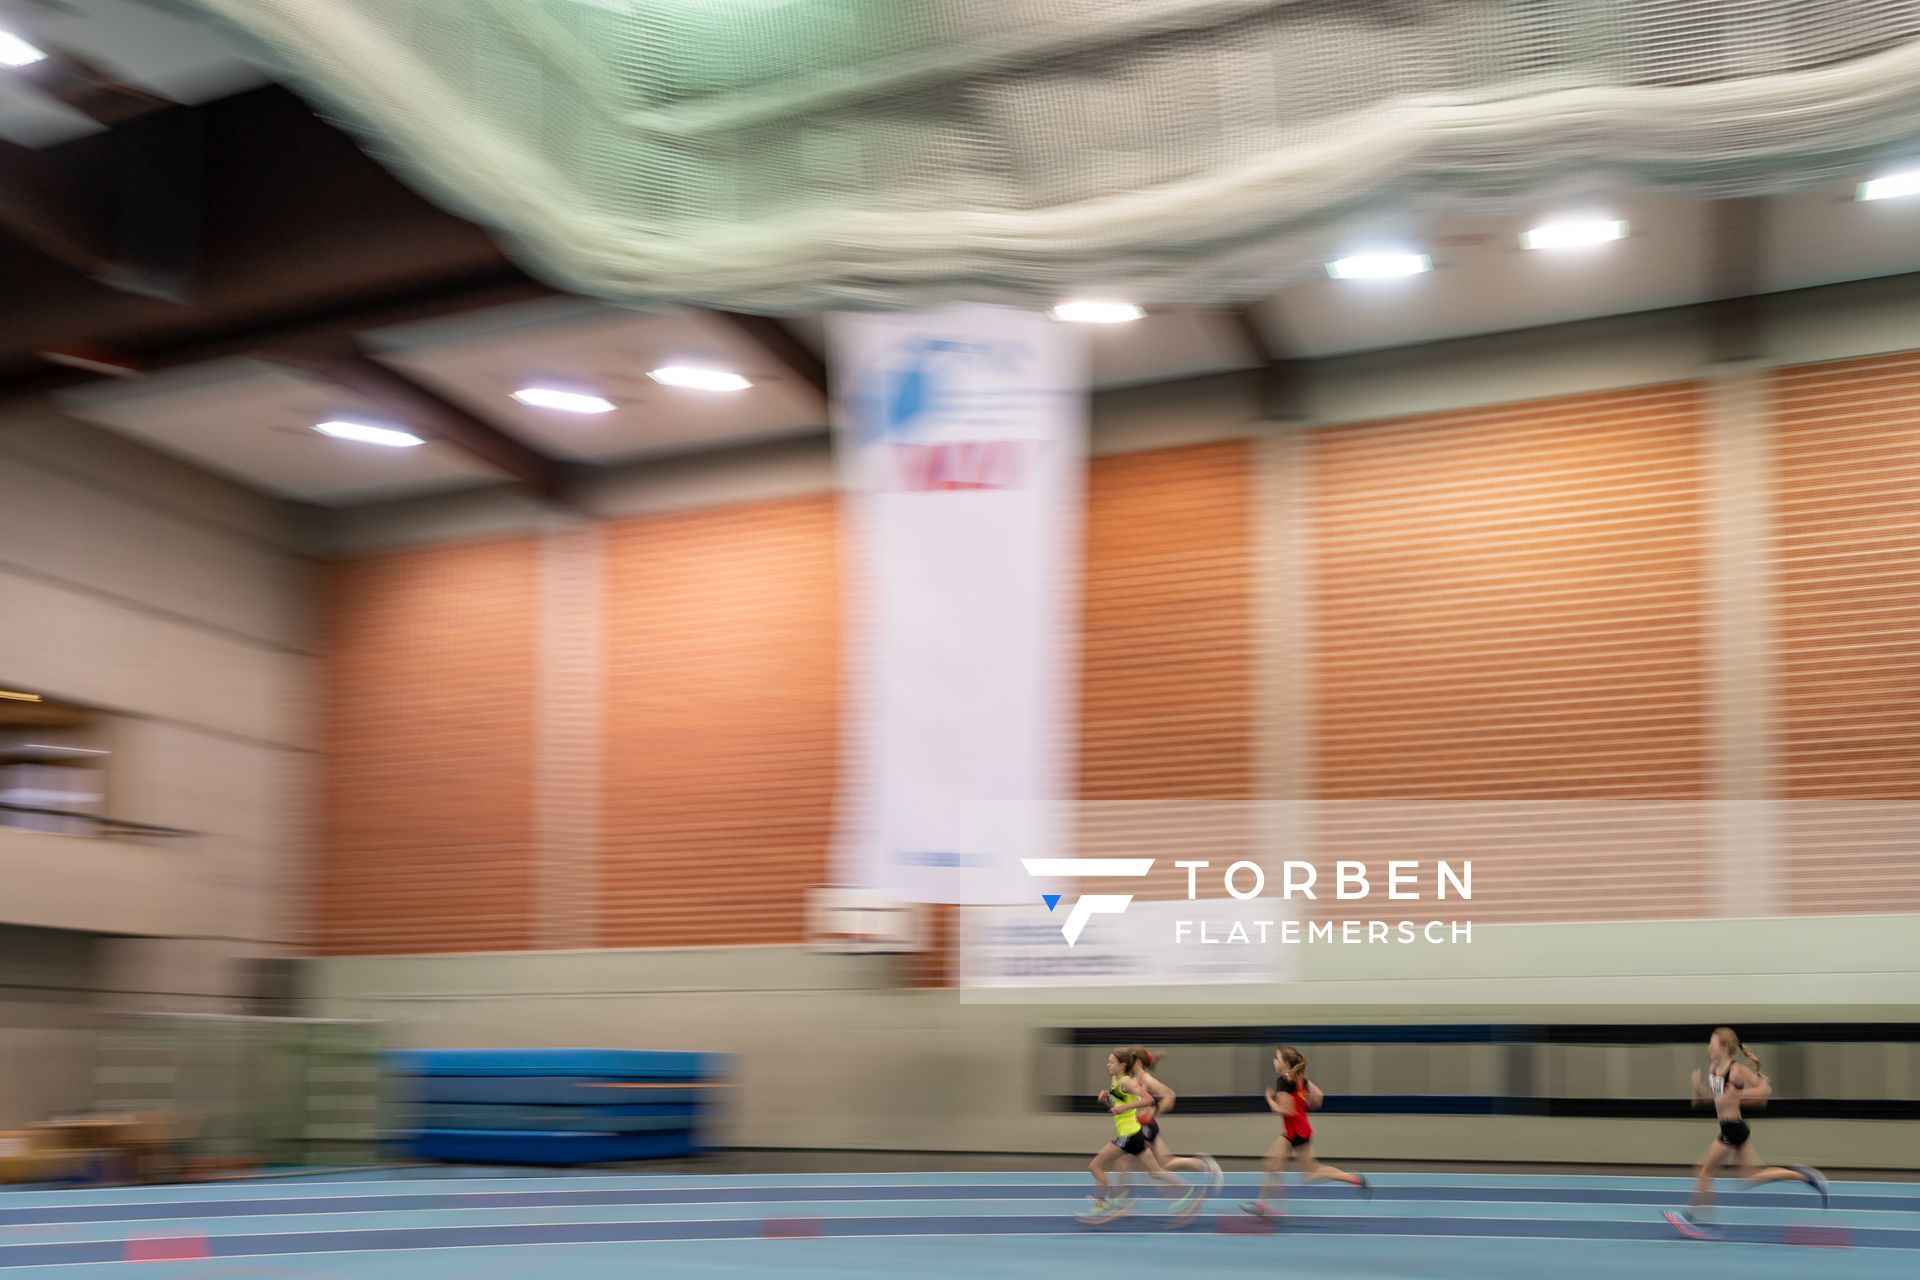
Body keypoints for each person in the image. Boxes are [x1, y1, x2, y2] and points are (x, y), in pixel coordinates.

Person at [1664, 1027, 1829, 1239]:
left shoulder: (1736, 1070)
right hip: (1732, 1128)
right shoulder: (1713, 1068)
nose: (1708, 1047)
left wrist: (1740, 1094)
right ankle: (1805, 1177)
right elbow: (1704, 1102)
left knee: (1704, 1171)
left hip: (1733, 1129)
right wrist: (1696, 1087)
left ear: (1723, 1048)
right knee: (1750, 1177)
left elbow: (1765, 1090)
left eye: (1711, 1044)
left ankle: (1692, 1219)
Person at [1242, 1045, 1369, 1219]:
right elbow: (1319, 1097)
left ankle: (1353, 1179)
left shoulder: (1283, 1081)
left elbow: (1288, 1111)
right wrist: (1307, 1102)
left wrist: (1270, 1102)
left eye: (1276, 1058)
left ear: (1285, 1063)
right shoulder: (1299, 1077)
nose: (1273, 1061)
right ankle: (1262, 1206)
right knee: (1271, 1164)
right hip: (1295, 1131)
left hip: (1297, 1134)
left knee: (1311, 1174)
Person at [1079, 1046, 1200, 1223]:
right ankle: (1185, 1188)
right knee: (1156, 1172)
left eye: (1111, 1062)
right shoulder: (1116, 1080)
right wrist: (1106, 1097)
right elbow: (1119, 1102)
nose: (1107, 1065)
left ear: (1122, 1065)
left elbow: (1149, 1099)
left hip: (1128, 1135)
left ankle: (1102, 1204)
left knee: (1095, 1166)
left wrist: (1125, 1107)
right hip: (1133, 1134)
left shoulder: (1127, 1082)